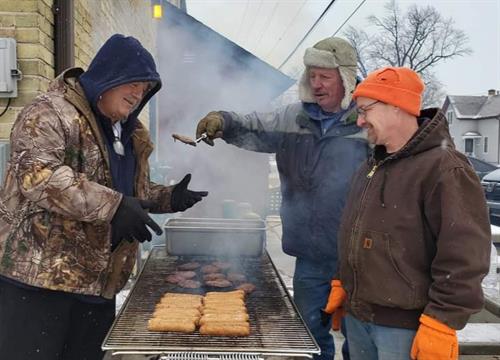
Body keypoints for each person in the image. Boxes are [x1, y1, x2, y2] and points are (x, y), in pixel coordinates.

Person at [0, 34, 207, 360]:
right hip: (41, 283)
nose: (139, 94)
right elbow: (39, 176)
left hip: (98, 281)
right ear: (108, 78)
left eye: (146, 88)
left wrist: (168, 198)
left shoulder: (129, 131)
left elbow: (128, 193)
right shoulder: (49, 112)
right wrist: (114, 206)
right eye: (134, 83)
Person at [196, 37, 369, 360]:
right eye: (312, 76)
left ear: (345, 78)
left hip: (360, 260)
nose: (316, 84)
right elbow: (256, 125)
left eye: (325, 77)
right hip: (311, 255)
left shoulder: (368, 121)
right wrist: (225, 121)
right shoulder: (295, 116)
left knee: (359, 340)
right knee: (309, 337)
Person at [324, 66, 491, 360]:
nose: (360, 120)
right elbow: (353, 230)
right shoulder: (370, 167)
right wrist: (343, 280)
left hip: (406, 328)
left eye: (365, 110)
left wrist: (442, 321)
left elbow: (465, 256)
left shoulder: (444, 168)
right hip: (359, 317)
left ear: (396, 106)